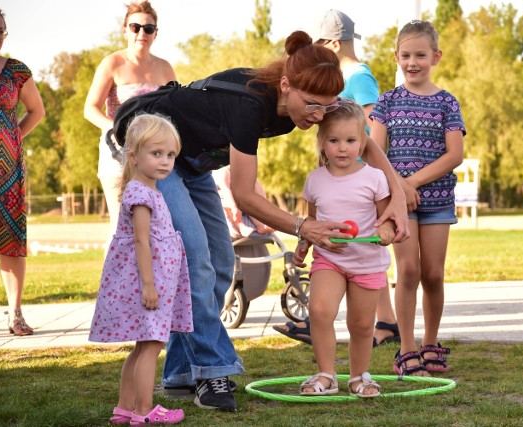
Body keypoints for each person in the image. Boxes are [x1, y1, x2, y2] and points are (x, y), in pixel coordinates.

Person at [131, 30, 408, 412]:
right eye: (311, 105)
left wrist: (396, 194)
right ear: (285, 86)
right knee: (195, 258)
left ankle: (180, 372)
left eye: (324, 108)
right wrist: (302, 226)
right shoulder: (248, 105)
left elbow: (359, 131)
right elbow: (245, 195)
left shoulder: (315, 99)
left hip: (192, 162)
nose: (317, 115)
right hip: (151, 147)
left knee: (220, 262)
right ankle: (213, 370)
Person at [273, 9, 400, 348]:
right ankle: (377, 321)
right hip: (337, 175)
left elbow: (372, 131)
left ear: (332, 42)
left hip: (357, 177)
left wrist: (382, 179)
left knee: (365, 262)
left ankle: (382, 322)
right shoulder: (342, 78)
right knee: (348, 261)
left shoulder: (357, 77)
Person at [370, 20, 465, 376]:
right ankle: (406, 348)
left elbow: (454, 154)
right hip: (400, 204)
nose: (413, 62)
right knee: (407, 270)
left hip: (438, 201)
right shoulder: (387, 102)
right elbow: (375, 152)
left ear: (435, 57)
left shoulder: (447, 102)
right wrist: (400, 188)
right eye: (406, 55)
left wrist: (412, 182)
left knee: (433, 274)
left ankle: (430, 343)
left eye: (420, 55)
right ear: (396, 57)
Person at [88, 114, 192, 425]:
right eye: (156, 153)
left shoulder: (147, 191)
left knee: (142, 345)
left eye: (170, 155)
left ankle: (124, 408)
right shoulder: (141, 194)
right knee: (151, 345)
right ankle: (145, 411)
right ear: (133, 155)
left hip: (153, 281)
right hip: (147, 283)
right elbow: (141, 243)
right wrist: (149, 285)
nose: (165, 161)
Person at [296, 101, 395, 398]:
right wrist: (304, 243)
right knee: (320, 310)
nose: (342, 148)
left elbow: (385, 219)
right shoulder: (315, 180)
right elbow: (311, 221)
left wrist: (386, 232)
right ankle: (326, 374)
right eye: (334, 140)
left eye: (351, 141)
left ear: (362, 141)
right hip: (330, 259)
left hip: (367, 262)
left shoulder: (374, 177)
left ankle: (359, 377)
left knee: (362, 323)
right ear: (322, 142)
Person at [84, 0, 176, 255]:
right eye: (135, 27)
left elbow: (176, 111)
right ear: (125, 30)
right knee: (121, 226)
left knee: (151, 224)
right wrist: (115, 131)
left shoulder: (165, 67)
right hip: (119, 154)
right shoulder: (112, 63)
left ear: (156, 33)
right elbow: (90, 108)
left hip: (154, 156)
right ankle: (112, 291)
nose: (141, 34)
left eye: (148, 29)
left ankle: (145, 287)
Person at [0, 7, 45, 336]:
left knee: (11, 242)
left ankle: (15, 314)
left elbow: (36, 112)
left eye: (1, 31)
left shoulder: (16, 71)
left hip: (9, 173)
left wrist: (10, 140)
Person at [213, 165, 274, 239]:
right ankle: (240, 226)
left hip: (240, 202)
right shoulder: (222, 171)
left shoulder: (240, 169)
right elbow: (226, 190)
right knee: (224, 201)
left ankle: (260, 224)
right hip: (226, 203)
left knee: (249, 201)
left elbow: (256, 186)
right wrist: (234, 207)